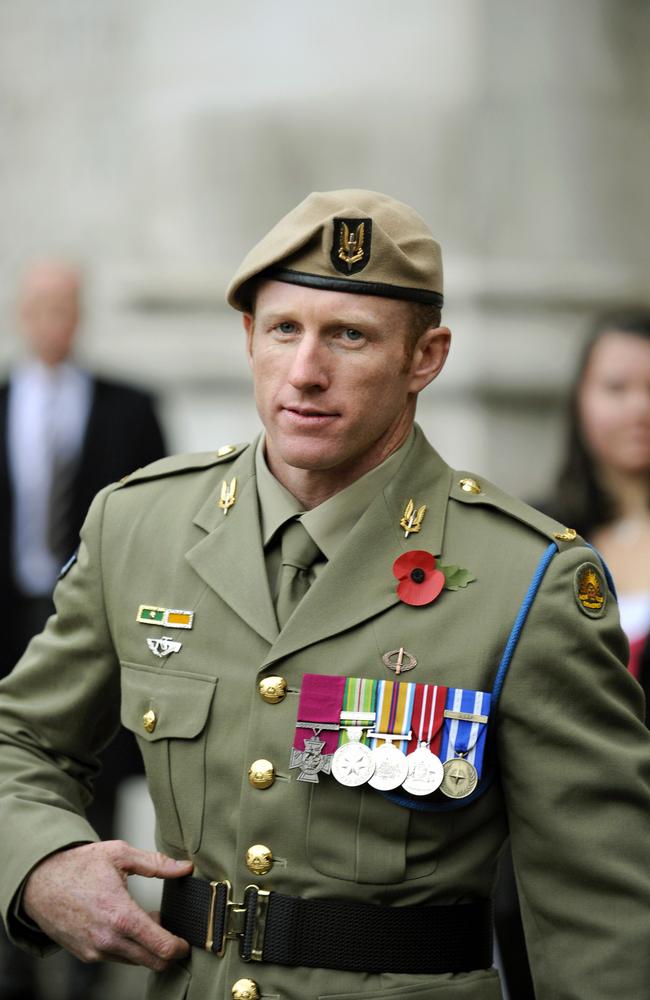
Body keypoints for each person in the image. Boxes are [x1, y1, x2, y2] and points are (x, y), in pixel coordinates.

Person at [0, 191, 648, 1000]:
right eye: (284, 330)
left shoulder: (527, 581)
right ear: (248, 338)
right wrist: (40, 860)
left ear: (426, 357)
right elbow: (20, 740)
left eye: (349, 336)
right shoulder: (140, 525)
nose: (306, 372)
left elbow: (598, 919)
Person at [0, 260, 167, 1000]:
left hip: (95, 623)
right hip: (8, 618)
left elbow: (161, 530)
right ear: (20, 315)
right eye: (39, 309)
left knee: (89, 793)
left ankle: (83, 971)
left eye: (64, 309)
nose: (52, 323)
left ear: (81, 315)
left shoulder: (129, 406)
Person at [494, 309, 650, 998]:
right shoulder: (535, 538)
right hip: (555, 846)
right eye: (616, 387)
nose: (639, 408)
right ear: (581, 400)